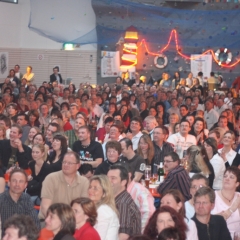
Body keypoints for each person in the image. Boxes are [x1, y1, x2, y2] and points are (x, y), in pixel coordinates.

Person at [39, 152, 89, 220]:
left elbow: (84, 208)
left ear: (78, 166)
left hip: (73, 222)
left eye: (70, 163)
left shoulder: (84, 182)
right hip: (49, 221)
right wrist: (57, 222)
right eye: (64, 162)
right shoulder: (51, 178)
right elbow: (45, 207)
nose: (66, 165)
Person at [0, 168, 40, 233]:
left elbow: (35, 225)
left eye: (21, 181)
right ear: (9, 183)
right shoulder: (1, 200)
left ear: (25, 185)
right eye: (14, 181)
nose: (17, 184)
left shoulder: (27, 199)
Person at [107, 164, 141, 239]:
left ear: (123, 182)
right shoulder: (117, 199)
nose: (108, 181)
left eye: (113, 178)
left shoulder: (123, 203)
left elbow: (123, 236)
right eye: (107, 178)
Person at [88, 175, 119, 240]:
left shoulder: (103, 210)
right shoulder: (97, 208)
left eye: (95, 188)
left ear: (104, 193)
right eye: (90, 187)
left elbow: (99, 237)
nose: (90, 190)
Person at [211, 167, 240, 236]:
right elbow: (210, 222)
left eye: (231, 177)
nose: (227, 179)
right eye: (225, 176)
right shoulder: (212, 196)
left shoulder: (238, 196)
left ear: (237, 184)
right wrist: (231, 209)